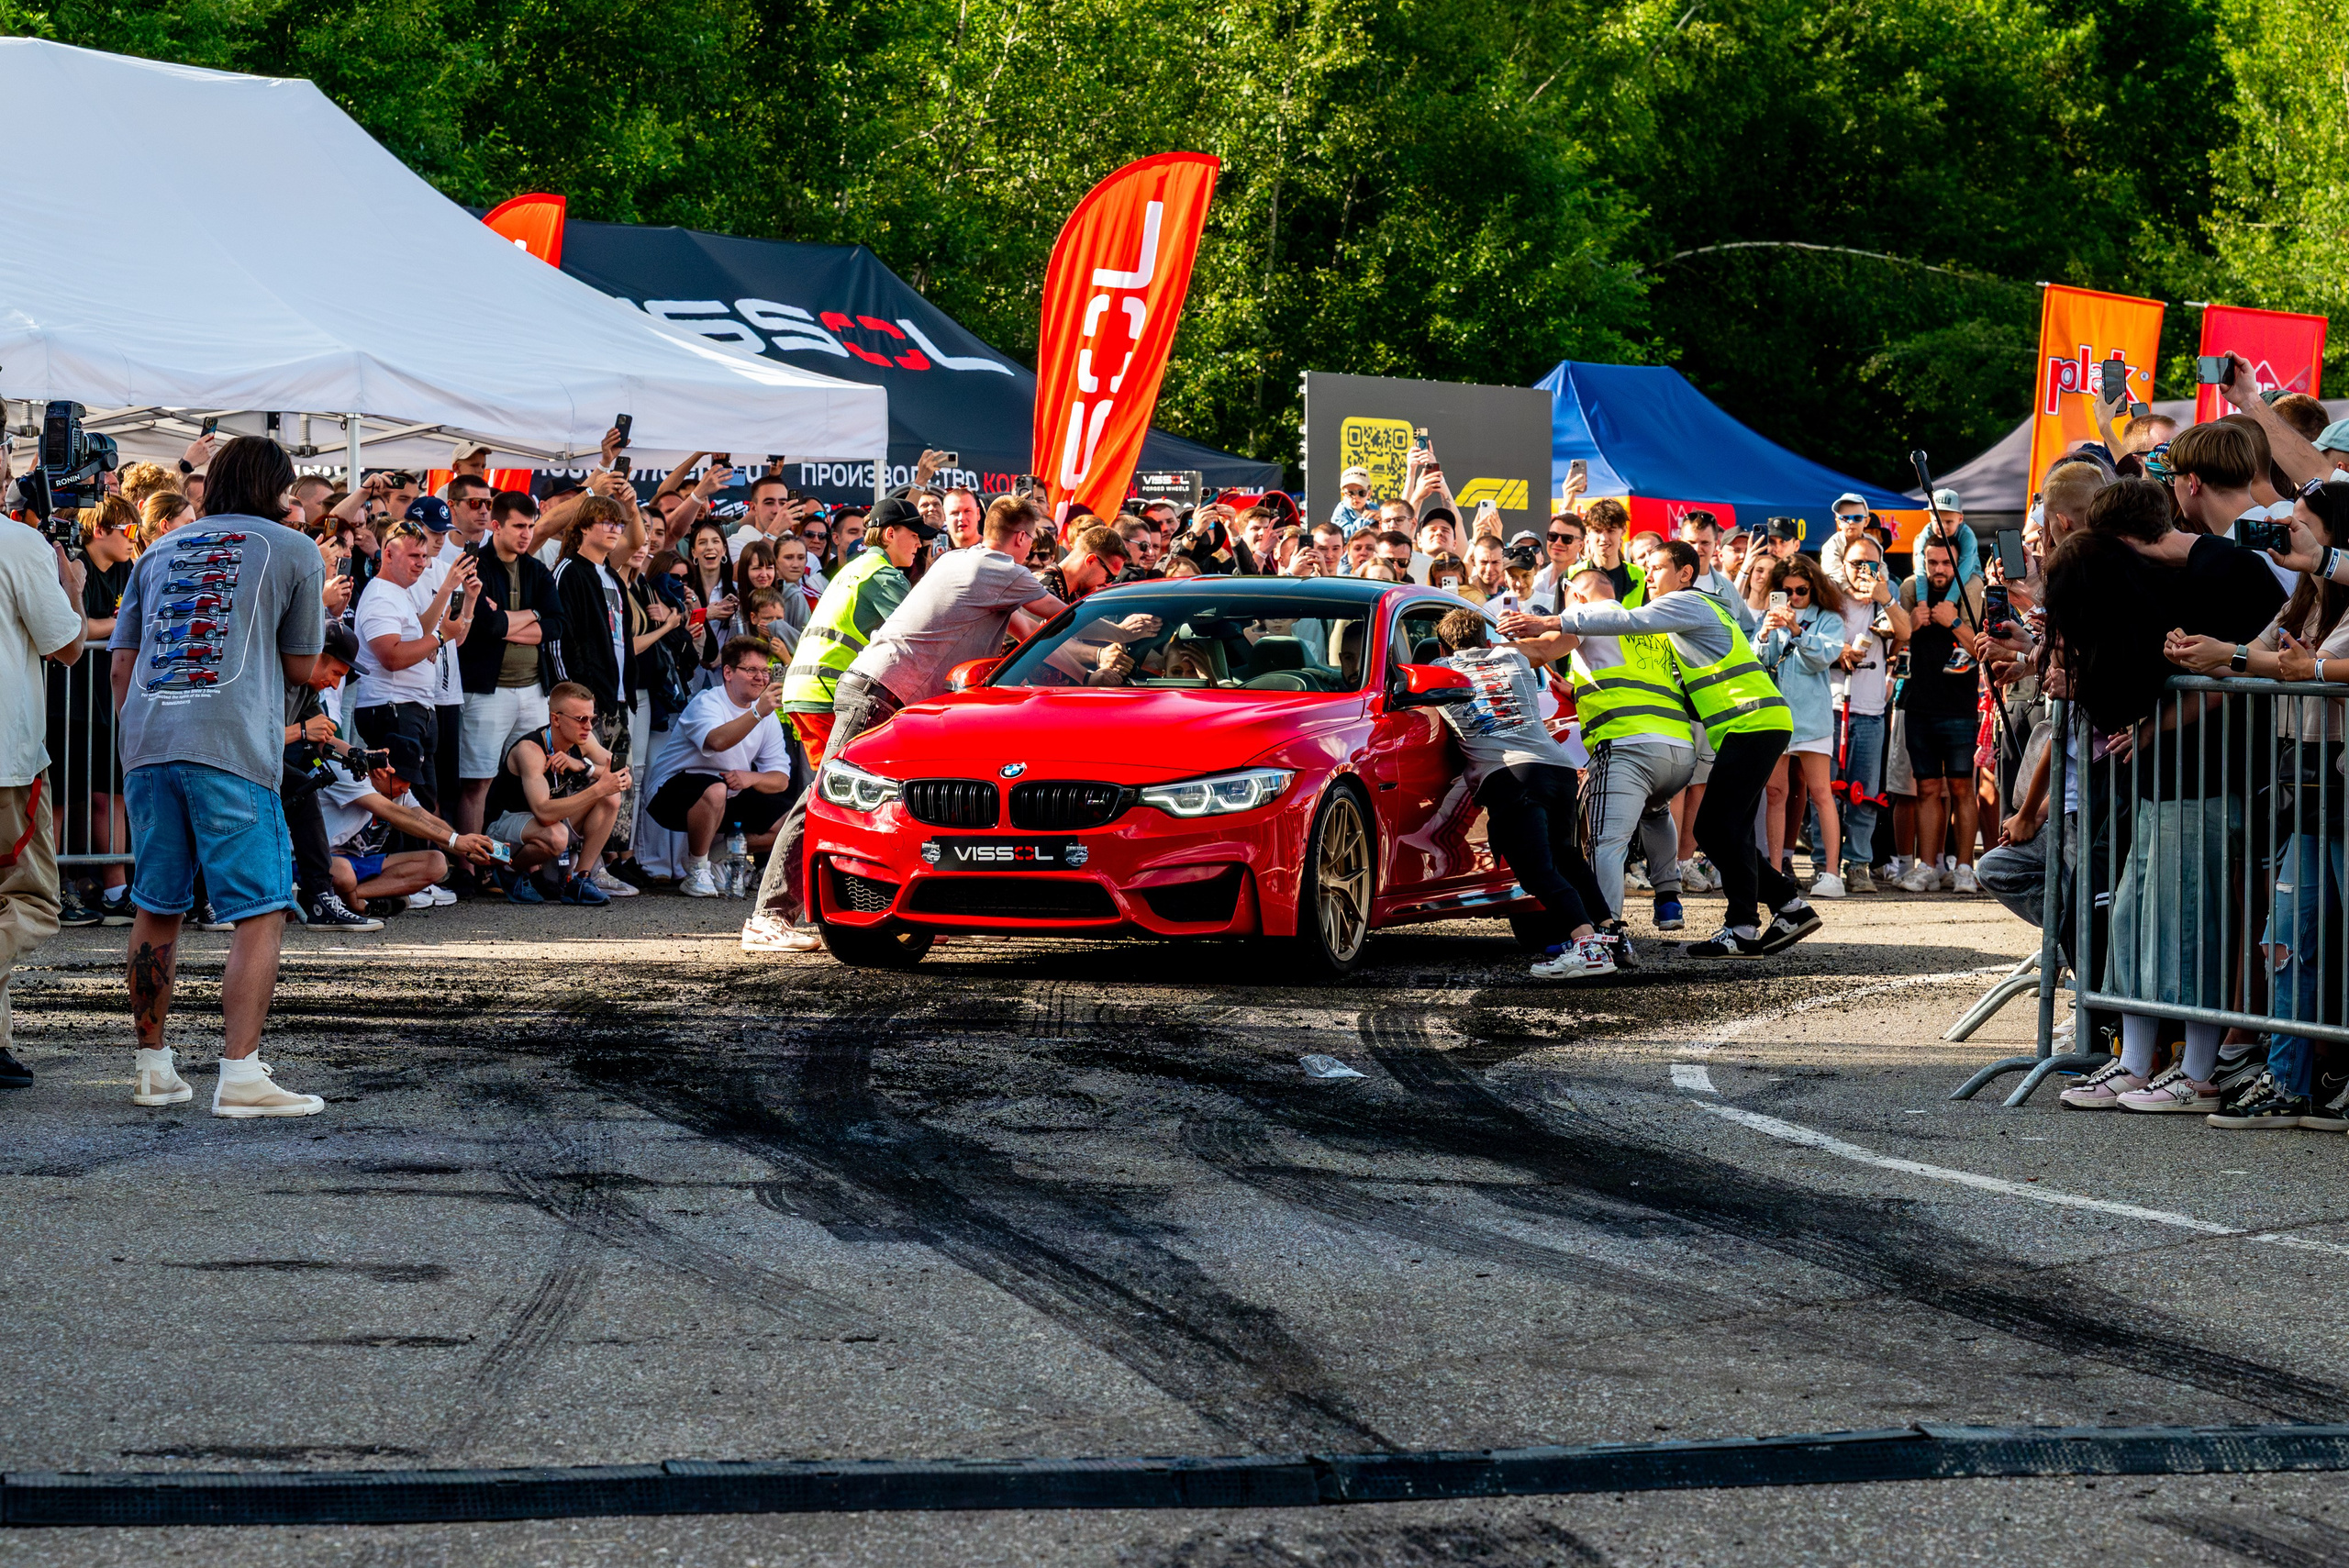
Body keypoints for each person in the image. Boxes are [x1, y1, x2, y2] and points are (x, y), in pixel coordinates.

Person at [106, 435, 327, 1117]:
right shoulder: (295, 549)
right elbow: (300, 665)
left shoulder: (158, 549)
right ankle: (241, 1074)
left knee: (157, 905)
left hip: (150, 738)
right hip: (228, 740)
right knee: (259, 908)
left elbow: (120, 665)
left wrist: (142, 729)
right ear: (277, 488)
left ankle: (153, 1068)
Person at [744, 495, 1068, 951]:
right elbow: (1061, 622)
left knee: (912, 805)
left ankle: (927, 909)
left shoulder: (964, 563)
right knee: (822, 800)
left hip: (891, 698)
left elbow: (1029, 633)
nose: (1031, 551)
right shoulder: (999, 568)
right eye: (1032, 542)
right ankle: (768, 917)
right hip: (880, 692)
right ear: (1021, 538)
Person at [1508, 539, 1813, 958]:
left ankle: (1774, 910)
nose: (1647, 576)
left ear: (1685, 573)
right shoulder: (1686, 619)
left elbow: (1628, 620)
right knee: (1728, 830)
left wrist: (1550, 620)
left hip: (1752, 722)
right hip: (1749, 725)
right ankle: (1760, 917)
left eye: (1655, 568)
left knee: (1714, 829)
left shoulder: (1688, 603)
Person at [2162, 481, 2349, 1127]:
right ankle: (2287, 1083)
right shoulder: (2303, 598)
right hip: (2307, 788)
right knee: (2288, 942)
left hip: (2343, 787)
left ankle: (2316, 1079)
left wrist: (2233, 656)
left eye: (2299, 524)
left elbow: (2304, 668)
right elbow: (2260, 658)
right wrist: (2196, 651)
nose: (2284, 535)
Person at [1426, 606, 1619, 979]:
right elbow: (1559, 643)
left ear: (1443, 647)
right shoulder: (1511, 653)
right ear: (1486, 639)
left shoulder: (1439, 672)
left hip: (1509, 774)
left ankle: (1587, 946)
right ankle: (1610, 934)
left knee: (1536, 872)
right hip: (1558, 767)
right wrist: (1586, 611)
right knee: (1567, 858)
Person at [1552, 564, 1694, 931]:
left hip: (1627, 747)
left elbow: (1546, 649)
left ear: (1577, 594)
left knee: (1605, 842)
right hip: (1678, 750)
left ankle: (1607, 930)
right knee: (1656, 810)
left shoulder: (1583, 615)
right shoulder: (1647, 626)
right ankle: (1668, 901)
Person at [0, 495, 87, 1088]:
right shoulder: (17, 542)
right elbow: (69, 645)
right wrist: (74, 585)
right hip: (7, 761)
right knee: (31, 903)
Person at [776, 496, 933, 763]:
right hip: (827, 691)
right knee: (844, 782)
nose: (920, 544)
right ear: (890, 533)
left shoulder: (853, 568)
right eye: (915, 535)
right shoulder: (883, 574)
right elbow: (922, 636)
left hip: (802, 690)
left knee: (828, 786)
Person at [646, 636, 797, 896]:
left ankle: (719, 854)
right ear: (727, 672)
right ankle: (696, 870)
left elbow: (780, 778)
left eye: (765, 671)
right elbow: (716, 741)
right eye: (751, 670)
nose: (761, 678)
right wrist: (757, 713)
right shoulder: (708, 701)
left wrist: (751, 777)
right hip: (669, 792)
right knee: (715, 789)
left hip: (727, 791)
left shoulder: (764, 713)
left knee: (793, 823)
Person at [455, 489, 561, 848]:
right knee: (478, 780)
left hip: (533, 690)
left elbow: (557, 624)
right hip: (486, 689)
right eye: (518, 526)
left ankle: (516, 862)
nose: (526, 534)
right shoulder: (476, 565)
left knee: (532, 778)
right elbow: (487, 626)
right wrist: (532, 616)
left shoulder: (536, 569)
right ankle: (472, 866)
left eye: (530, 526)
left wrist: (511, 619)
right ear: (496, 526)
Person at [352, 509, 474, 815]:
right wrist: (441, 638)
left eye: (423, 556)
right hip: (393, 709)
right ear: (388, 554)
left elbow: (418, 632)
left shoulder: (398, 591)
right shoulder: (382, 595)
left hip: (412, 708)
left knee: (423, 798)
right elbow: (392, 657)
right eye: (413, 556)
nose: (421, 563)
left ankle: (425, 856)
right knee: (409, 801)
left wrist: (447, 590)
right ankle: (414, 858)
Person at [482, 682, 631, 904]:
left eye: (592, 719)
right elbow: (543, 812)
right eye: (581, 719)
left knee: (610, 796)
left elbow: (622, 775)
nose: (589, 726)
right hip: (498, 840)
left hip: (541, 829)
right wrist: (598, 787)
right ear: (556, 719)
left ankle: (580, 879)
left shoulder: (582, 741)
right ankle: (507, 870)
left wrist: (584, 766)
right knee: (558, 836)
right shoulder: (530, 750)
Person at [317, 733, 500, 915]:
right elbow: (395, 814)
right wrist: (454, 840)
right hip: (317, 860)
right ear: (383, 769)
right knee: (343, 871)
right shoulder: (347, 772)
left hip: (358, 863)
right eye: (404, 779)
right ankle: (348, 901)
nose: (406, 788)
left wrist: (471, 848)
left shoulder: (398, 789)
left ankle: (351, 897)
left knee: (436, 862)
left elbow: (424, 819)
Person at [1892, 539, 1986, 893]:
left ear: (1958, 563)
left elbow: (1983, 648)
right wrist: (1909, 624)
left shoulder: (1970, 589)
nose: (1939, 569)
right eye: (1932, 562)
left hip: (1960, 705)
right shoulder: (1910, 591)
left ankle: (1964, 867)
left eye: (1946, 562)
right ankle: (1928, 866)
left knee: (1963, 788)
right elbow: (1892, 644)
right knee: (1926, 788)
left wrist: (1955, 621)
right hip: (1919, 703)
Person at [1754, 555, 1848, 895]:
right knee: (1776, 793)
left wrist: (1796, 631)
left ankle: (1832, 873)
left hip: (1812, 718)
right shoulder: (1770, 618)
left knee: (1821, 793)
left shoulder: (1828, 618)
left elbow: (1823, 658)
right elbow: (1756, 664)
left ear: (1814, 589)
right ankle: (1777, 870)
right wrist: (1764, 635)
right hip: (1777, 717)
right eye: (1785, 590)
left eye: (1801, 590)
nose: (1792, 597)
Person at [1828, 534, 1910, 893]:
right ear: (1842, 566)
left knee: (1865, 793)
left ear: (1881, 566)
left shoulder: (1884, 596)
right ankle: (1824, 862)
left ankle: (1858, 864)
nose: (1862, 570)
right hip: (1830, 705)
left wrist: (1885, 596)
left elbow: (1906, 631)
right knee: (1826, 792)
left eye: (1870, 563)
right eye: (1855, 563)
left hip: (1872, 708)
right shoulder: (1828, 597)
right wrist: (1840, 650)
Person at [548, 494, 642, 782]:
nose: (615, 529)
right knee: (582, 787)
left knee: (621, 787)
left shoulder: (613, 576)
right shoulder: (568, 571)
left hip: (618, 700)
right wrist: (577, 697)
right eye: (606, 523)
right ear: (584, 528)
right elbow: (559, 639)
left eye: (618, 524)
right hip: (586, 706)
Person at [1039, 525, 1130, 602]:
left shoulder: (1076, 592)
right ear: (1091, 561)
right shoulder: (1041, 589)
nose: (1108, 584)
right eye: (1109, 577)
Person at [1528, 513, 1583, 612]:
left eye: (1567, 539)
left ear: (1581, 545)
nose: (1558, 542)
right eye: (1553, 536)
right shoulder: (1538, 577)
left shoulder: (1585, 580)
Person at [1330, 467, 1377, 534]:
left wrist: (1382, 517)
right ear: (1343, 494)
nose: (1356, 497)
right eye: (1350, 493)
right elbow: (1344, 534)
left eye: (1361, 493)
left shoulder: (1374, 507)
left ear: (1369, 494)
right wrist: (1367, 520)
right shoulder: (1341, 511)